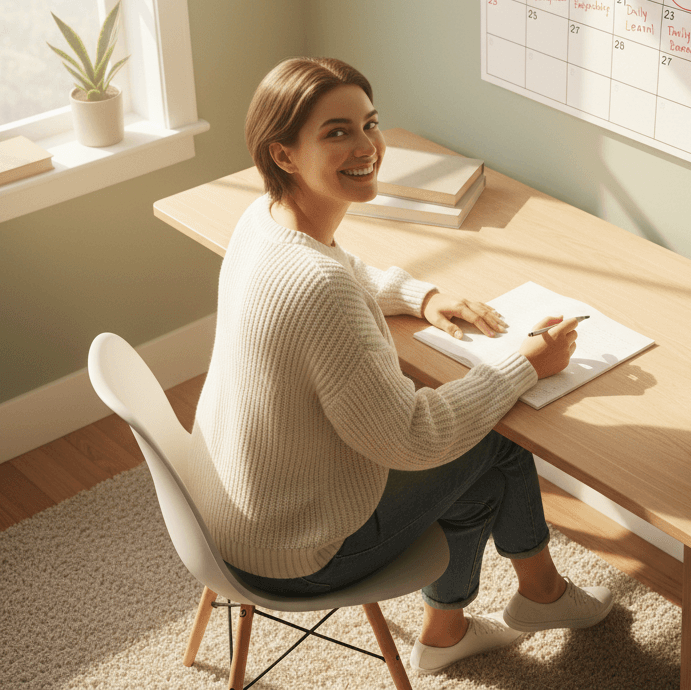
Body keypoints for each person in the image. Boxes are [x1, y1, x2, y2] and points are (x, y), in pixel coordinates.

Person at [188, 56, 613, 675]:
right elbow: (412, 439)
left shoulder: (262, 220)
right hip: (298, 550)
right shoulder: (315, 286)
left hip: (230, 512)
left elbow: (345, 271)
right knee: (497, 438)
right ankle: (531, 600)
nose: (368, 146)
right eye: (337, 132)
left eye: (370, 123)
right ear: (284, 155)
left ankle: (466, 624)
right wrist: (526, 364)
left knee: (479, 462)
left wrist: (423, 296)